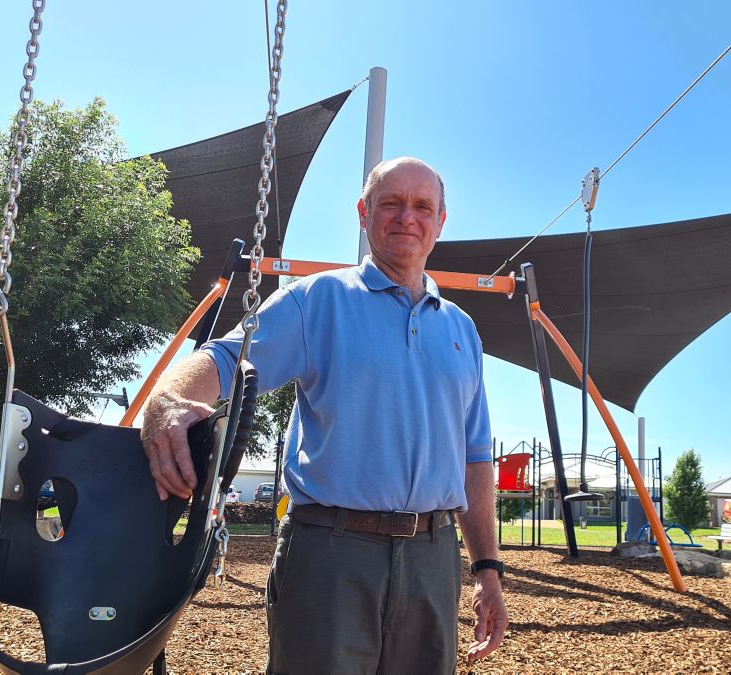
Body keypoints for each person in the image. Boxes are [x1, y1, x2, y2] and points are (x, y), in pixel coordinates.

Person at [142, 157, 508, 673]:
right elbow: (227, 356)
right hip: (332, 553)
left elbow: (474, 461)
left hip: (433, 558)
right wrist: (168, 398)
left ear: (441, 221)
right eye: (391, 203)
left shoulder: (461, 329)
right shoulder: (317, 300)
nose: (408, 217)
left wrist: (487, 571)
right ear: (364, 212)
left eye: (422, 206)